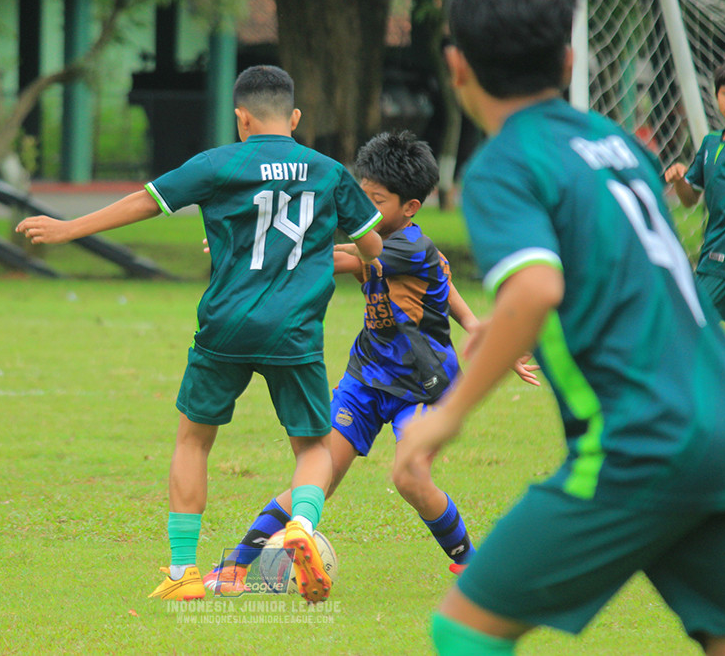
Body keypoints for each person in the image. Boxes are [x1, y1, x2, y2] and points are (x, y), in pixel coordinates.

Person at [395, 0, 725, 654]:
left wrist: (446, 415)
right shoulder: (613, 140)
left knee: (462, 626)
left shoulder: (504, 163)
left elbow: (535, 288)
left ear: (457, 65)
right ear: (567, 59)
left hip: (642, 440)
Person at [17, 65, 383, 603]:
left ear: (241, 118)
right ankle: (301, 526)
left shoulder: (218, 164)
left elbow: (146, 201)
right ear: (295, 118)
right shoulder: (329, 172)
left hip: (226, 326)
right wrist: (364, 280)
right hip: (296, 331)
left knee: (194, 439)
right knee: (311, 447)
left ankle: (183, 573)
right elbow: (374, 249)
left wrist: (68, 228)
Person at [203, 131, 540, 595]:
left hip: (423, 387)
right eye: (361, 196)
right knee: (319, 472)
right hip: (366, 377)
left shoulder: (404, 247)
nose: (363, 209)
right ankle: (237, 566)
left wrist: (248, 251)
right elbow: (442, 268)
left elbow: (333, 259)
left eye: (376, 201)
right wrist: (473, 322)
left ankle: (471, 563)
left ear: (410, 209)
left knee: (409, 476)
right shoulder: (410, 246)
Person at [665, 56, 725, 358]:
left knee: (682, 329)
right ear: (716, 95)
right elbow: (691, 198)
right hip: (724, 253)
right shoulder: (710, 143)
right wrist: (679, 180)